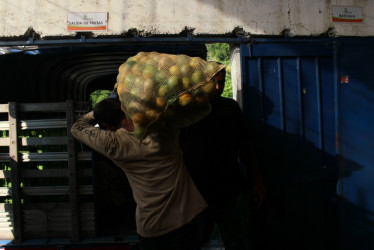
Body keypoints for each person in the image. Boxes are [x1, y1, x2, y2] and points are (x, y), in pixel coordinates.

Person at [71, 98, 211, 250]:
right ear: (126, 110)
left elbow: (77, 127)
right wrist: (124, 100)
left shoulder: (112, 143)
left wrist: (97, 113)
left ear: (106, 126)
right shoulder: (162, 127)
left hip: (149, 229)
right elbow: (204, 108)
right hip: (182, 223)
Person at [180, 68, 265, 249]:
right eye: (214, 82)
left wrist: (257, 179)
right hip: (197, 193)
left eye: (222, 82)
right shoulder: (188, 110)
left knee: (237, 240)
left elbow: (245, 145)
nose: (218, 87)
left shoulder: (230, 107)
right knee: (196, 240)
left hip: (229, 188)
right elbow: (176, 153)